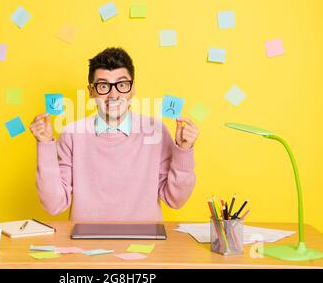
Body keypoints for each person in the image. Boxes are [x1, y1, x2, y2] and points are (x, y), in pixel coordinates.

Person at [29, 47, 199, 221]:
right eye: (103, 86)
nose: (114, 94)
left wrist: (184, 150)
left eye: (122, 85)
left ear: (132, 89)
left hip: (145, 242)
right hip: (86, 243)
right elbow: (53, 204)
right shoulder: (72, 134)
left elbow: (175, 200)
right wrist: (45, 145)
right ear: (91, 91)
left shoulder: (155, 131)